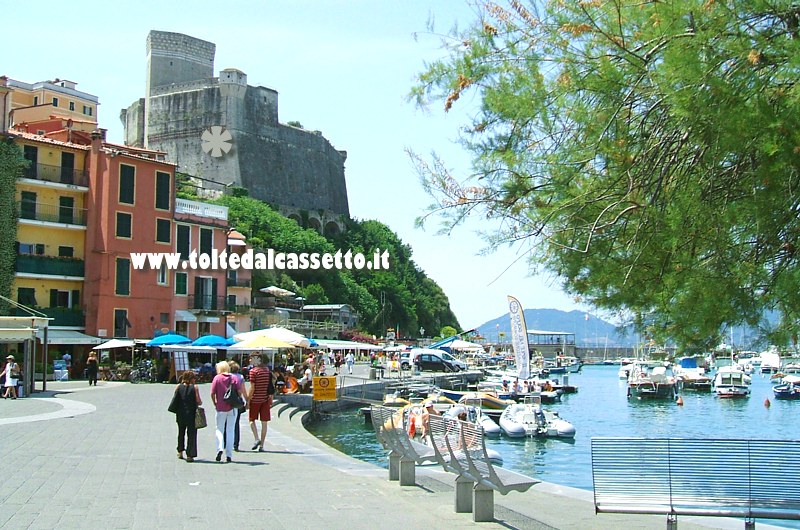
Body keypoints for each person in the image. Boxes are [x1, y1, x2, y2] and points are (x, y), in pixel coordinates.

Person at [210, 360, 245, 463]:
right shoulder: (234, 378)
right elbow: (239, 392)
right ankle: (229, 455)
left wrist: (215, 403)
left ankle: (220, 448)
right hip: (232, 407)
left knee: (219, 429)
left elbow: (212, 393)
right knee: (230, 430)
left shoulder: (217, 378)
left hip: (220, 407)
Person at [171, 370, 202, 462]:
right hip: (191, 414)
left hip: (180, 414)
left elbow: (175, 399)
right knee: (191, 434)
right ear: (192, 379)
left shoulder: (178, 387)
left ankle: (180, 451)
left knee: (181, 432)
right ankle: (190, 455)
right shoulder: (195, 388)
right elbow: (199, 401)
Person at [246, 354, 275, 452]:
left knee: (251, 420)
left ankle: (256, 438)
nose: (250, 360)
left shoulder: (253, 372)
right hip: (265, 399)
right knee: (264, 423)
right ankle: (262, 445)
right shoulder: (267, 371)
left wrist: (248, 400)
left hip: (255, 400)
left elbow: (252, 388)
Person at [229, 361, 246, 452]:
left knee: (227, 423)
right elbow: (242, 390)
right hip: (237, 402)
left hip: (228, 401)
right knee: (236, 423)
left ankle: (227, 442)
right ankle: (236, 444)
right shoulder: (240, 377)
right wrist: (246, 399)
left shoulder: (227, 376)